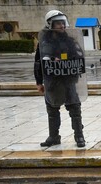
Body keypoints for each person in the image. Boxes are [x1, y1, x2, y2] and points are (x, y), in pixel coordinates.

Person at [34, 9, 86, 148]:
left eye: (63, 23)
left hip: (68, 80)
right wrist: (39, 82)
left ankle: (79, 136)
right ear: (50, 24)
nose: (62, 26)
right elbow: (39, 62)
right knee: (52, 109)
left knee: (75, 107)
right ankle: (54, 137)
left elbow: (79, 56)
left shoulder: (69, 40)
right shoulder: (44, 42)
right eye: (58, 23)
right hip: (53, 81)